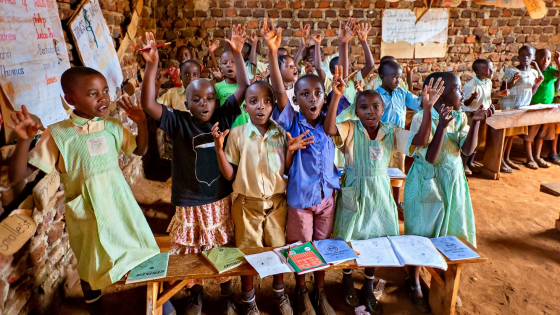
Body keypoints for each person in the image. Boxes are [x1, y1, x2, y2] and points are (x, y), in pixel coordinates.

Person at [8, 67, 164, 315]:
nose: (103, 98)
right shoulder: (58, 134)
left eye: (105, 91)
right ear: (71, 100)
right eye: (93, 93)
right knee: (89, 265)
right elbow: (17, 176)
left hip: (120, 206)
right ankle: (96, 308)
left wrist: (143, 123)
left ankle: (160, 302)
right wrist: (25, 141)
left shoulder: (112, 126)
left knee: (139, 249)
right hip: (87, 215)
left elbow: (140, 150)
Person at [139, 27, 249, 315]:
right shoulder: (179, 122)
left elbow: (242, 89)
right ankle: (196, 293)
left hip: (218, 198)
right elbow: (148, 104)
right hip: (189, 200)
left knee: (221, 246)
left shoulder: (224, 116)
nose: (204, 103)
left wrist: (237, 54)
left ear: (217, 100)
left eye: (210, 98)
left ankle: (225, 294)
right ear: (185, 103)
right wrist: (152, 65)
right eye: (197, 99)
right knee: (192, 250)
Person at [325, 76, 444, 315]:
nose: (370, 111)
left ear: (384, 109)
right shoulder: (351, 128)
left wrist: (428, 108)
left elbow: (420, 140)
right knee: (350, 237)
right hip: (355, 192)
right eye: (364, 107)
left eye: (376, 107)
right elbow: (329, 129)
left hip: (379, 194)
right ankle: (347, 279)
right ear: (356, 111)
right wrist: (336, 96)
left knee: (376, 241)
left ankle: (368, 284)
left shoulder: (390, 131)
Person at [213, 79, 314, 315]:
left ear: (273, 107)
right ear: (244, 107)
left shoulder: (281, 132)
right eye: (254, 101)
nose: (261, 107)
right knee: (249, 254)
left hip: (277, 204)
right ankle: (248, 298)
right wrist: (219, 150)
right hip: (247, 206)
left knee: (278, 250)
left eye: (267, 102)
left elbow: (286, 170)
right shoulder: (237, 135)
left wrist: (290, 152)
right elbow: (230, 174)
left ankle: (279, 291)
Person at [265, 18, 340, 315]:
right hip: (300, 202)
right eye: (305, 94)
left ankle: (320, 292)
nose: (312, 98)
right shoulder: (293, 121)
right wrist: (273, 52)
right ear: (296, 99)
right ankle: (302, 291)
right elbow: (279, 88)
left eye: (317, 94)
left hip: (326, 200)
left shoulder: (329, 123)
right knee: (301, 250)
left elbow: (334, 85)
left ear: (325, 98)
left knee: (321, 248)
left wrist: (333, 86)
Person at [403, 72, 495, 314]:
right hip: (427, 182)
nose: (461, 94)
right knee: (420, 232)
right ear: (442, 96)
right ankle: (413, 280)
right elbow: (431, 158)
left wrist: (475, 121)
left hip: (452, 181)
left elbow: (467, 150)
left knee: (449, 230)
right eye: (457, 90)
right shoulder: (422, 118)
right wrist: (441, 127)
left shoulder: (459, 116)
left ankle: (442, 277)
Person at [375, 60, 422, 212]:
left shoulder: (402, 92)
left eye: (399, 77)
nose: (398, 81)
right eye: (394, 77)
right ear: (382, 76)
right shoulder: (375, 95)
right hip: (378, 139)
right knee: (376, 170)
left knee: (397, 169)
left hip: (398, 139)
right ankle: (379, 202)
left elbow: (417, 103)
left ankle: (396, 201)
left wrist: (428, 97)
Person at [499, 45, 543, 172]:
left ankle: (507, 158)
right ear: (518, 56)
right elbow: (503, 90)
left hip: (522, 105)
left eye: (528, 55)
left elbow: (531, 92)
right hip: (509, 105)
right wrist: (512, 82)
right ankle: (500, 159)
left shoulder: (534, 72)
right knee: (505, 134)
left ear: (533, 58)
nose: (525, 58)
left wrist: (537, 84)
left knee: (512, 134)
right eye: (522, 55)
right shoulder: (511, 71)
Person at [462, 59, 508, 174]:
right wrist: (472, 97)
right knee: (468, 140)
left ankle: (470, 162)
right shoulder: (470, 85)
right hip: (471, 116)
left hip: (484, 115)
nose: (491, 71)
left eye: (491, 68)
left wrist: (498, 94)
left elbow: (487, 95)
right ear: (477, 72)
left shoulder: (488, 82)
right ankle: (463, 165)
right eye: (488, 69)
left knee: (478, 141)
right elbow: (465, 103)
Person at [526, 49, 560, 168]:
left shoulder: (551, 71)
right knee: (531, 133)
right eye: (542, 58)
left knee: (542, 133)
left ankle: (537, 156)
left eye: (548, 59)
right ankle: (529, 158)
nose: (545, 61)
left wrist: (558, 62)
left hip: (547, 107)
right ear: (535, 58)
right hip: (534, 104)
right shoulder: (533, 71)